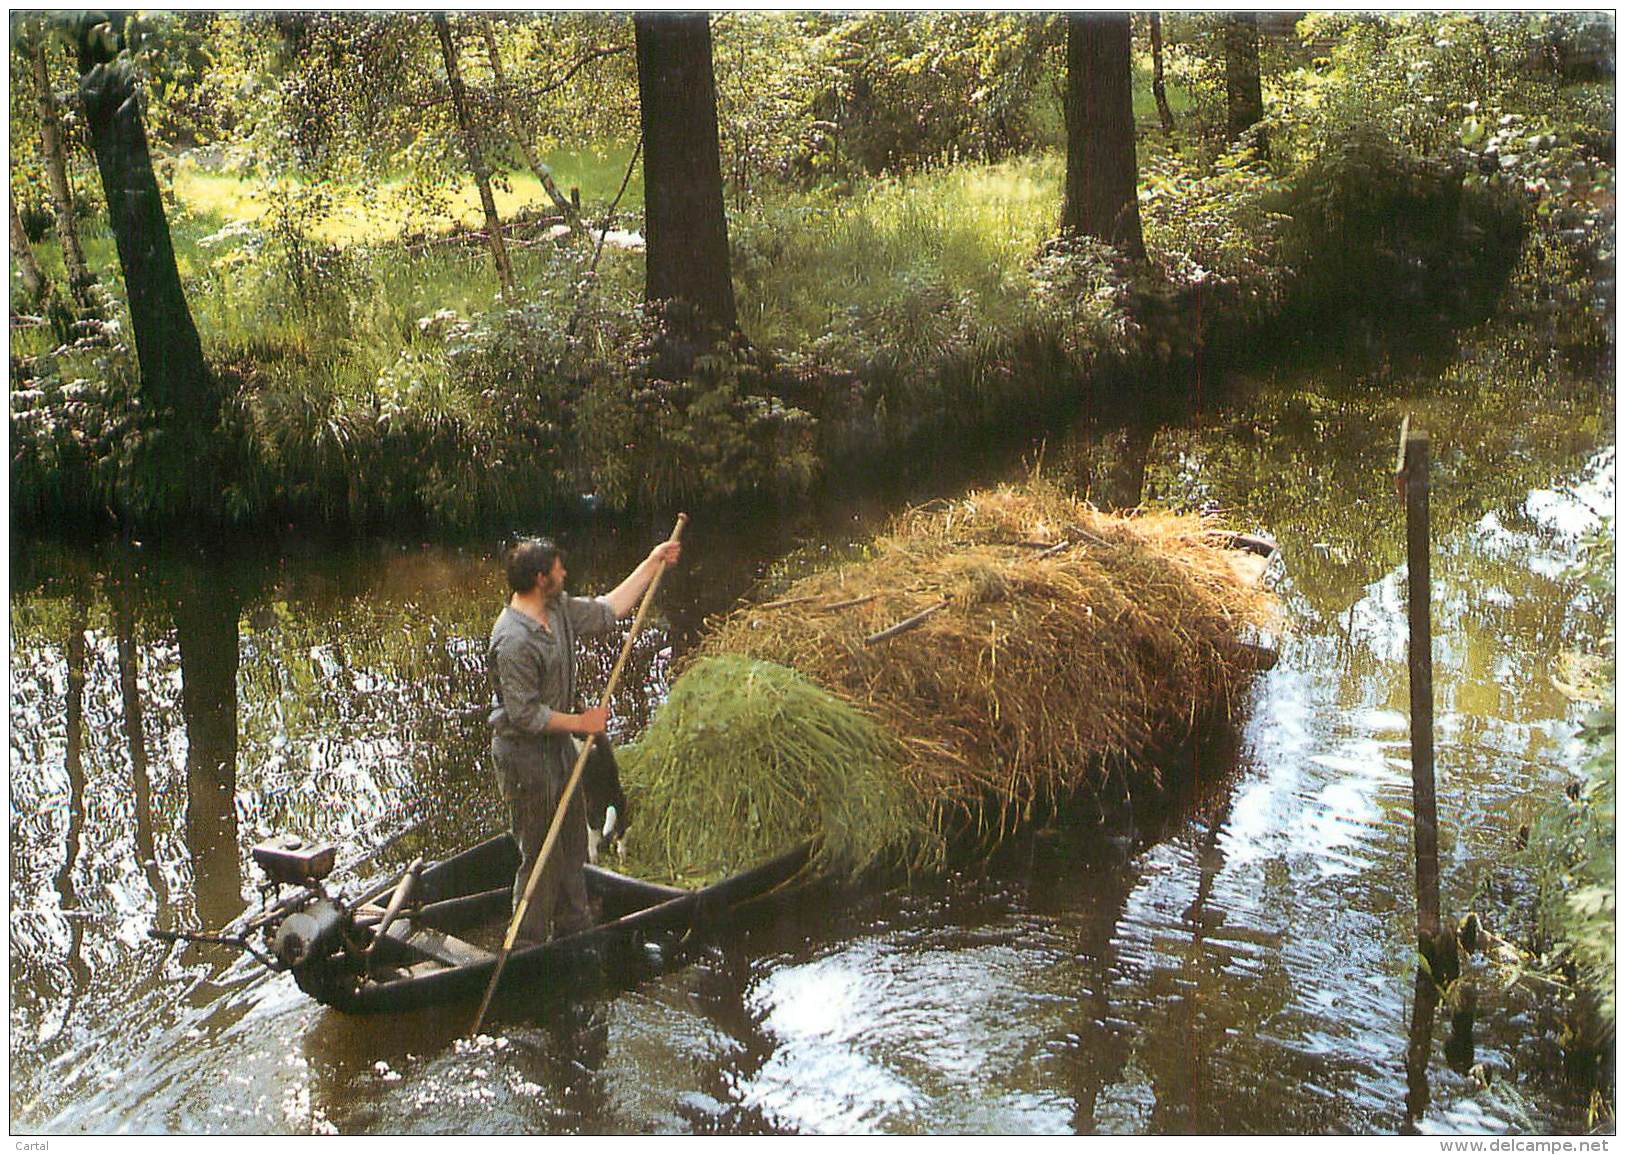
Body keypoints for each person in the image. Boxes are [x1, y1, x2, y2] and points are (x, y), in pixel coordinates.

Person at [487, 535, 681, 942]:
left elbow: (607, 610)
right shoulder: (513, 639)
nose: (565, 573)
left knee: (574, 842)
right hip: (524, 756)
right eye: (559, 568)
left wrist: (652, 562)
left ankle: (574, 925)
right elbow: (524, 715)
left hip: (555, 747)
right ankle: (526, 942)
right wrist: (582, 724)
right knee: (542, 854)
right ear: (541, 578)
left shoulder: (556, 609)